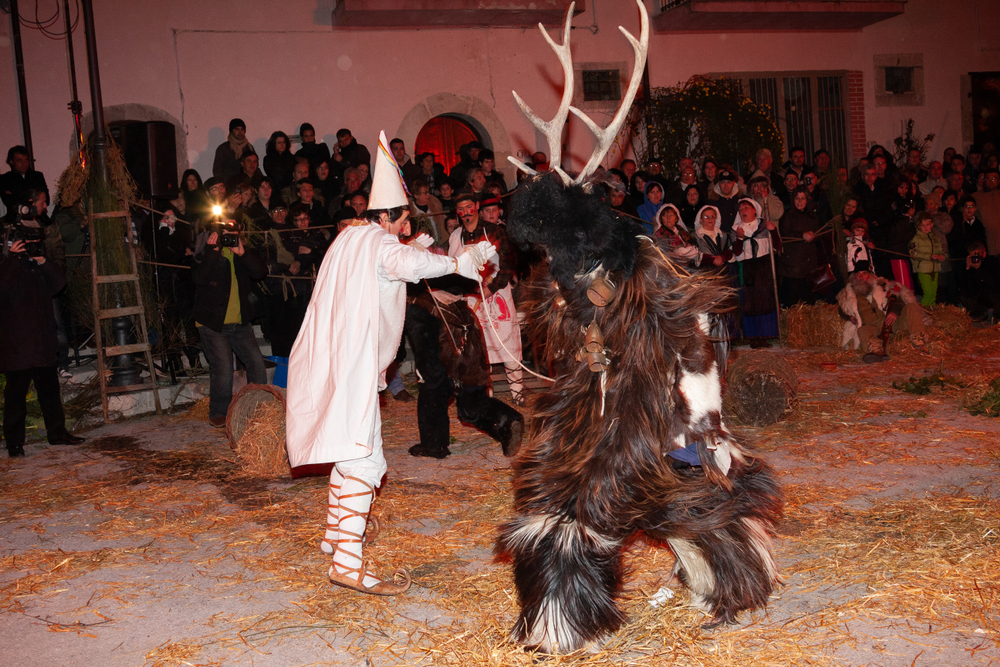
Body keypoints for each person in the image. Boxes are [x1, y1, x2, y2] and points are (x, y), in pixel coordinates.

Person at [285, 131, 497, 596]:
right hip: (355, 365)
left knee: (349, 450)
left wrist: (415, 245)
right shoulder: (381, 245)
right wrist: (463, 260)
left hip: (335, 359)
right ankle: (347, 563)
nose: (406, 227)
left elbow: (390, 259)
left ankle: (335, 538)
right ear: (386, 216)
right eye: (402, 220)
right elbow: (406, 265)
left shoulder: (349, 239)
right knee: (365, 459)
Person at [1, 232, 85, 457]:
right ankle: (14, 443)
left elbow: (59, 283)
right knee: (16, 396)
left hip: (42, 342)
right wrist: (12, 259)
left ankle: (57, 433)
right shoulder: (7, 265)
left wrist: (43, 261)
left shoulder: (37, 267)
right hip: (18, 345)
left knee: (50, 391)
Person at [191, 205, 268, 428]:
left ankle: (257, 408)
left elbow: (261, 272)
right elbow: (199, 279)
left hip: (240, 321)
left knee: (256, 363)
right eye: (222, 228)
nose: (226, 234)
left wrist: (242, 252)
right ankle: (219, 412)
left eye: (231, 228)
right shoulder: (205, 248)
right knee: (223, 367)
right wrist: (212, 252)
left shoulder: (241, 250)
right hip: (213, 323)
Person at [449, 192, 525, 405]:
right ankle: (487, 394)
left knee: (508, 343)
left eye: (469, 207)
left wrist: (491, 287)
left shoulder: (494, 232)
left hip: (498, 294)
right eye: (461, 209)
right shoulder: (456, 237)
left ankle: (518, 394)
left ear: (476, 206)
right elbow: (451, 266)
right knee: (480, 347)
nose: (466, 213)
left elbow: (509, 263)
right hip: (473, 299)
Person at [837, 261, 926, 361]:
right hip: (874, 329)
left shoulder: (883, 286)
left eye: (864, 273)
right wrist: (849, 317)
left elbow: (900, 298)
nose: (861, 277)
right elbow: (841, 309)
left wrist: (894, 312)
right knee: (862, 330)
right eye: (858, 274)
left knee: (911, 307)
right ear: (854, 277)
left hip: (893, 324)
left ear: (870, 275)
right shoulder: (848, 295)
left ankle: (919, 343)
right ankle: (877, 352)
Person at [730, 198, 780, 343]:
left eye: (746, 208)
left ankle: (767, 334)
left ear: (754, 210)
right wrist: (739, 239)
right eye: (741, 209)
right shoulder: (736, 229)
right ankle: (752, 336)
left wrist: (774, 230)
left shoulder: (764, 226)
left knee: (765, 299)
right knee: (750, 301)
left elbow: (777, 247)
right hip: (747, 268)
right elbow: (737, 253)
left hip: (764, 266)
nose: (743, 211)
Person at [777, 187, 822, 306]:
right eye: (797, 198)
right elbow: (784, 233)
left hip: (809, 263)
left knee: (808, 300)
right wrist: (802, 235)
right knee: (793, 301)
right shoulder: (787, 216)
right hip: (792, 265)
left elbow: (819, 234)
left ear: (807, 200)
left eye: (802, 198)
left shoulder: (813, 216)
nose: (799, 201)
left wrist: (814, 236)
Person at [1, 145, 47, 222]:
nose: (24, 163)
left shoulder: (37, 176)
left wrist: (17, 193)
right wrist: (33, 196)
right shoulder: (4, 179)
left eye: (26, 160)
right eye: (20, 160)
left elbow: (46, 199)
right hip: (15, 220)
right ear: (11, 161)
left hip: (39, 218)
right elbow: (9, 202)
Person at [908, 211, 945, 307]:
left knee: (933, 294)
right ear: (919, 225)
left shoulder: (935, 238)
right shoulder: (916, 238)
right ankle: (921, 315)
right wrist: (929, 256)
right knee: (928, 293)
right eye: (922, 225)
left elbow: (942, 250)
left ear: (932, 224)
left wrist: (942, 256)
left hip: (935, 269)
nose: (925, 227)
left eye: (927, 225)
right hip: (923, 269)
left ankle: (931, 314)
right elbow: (913, 253)